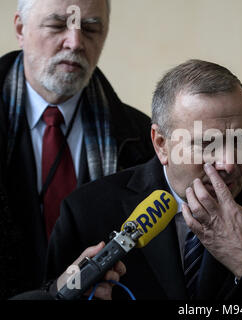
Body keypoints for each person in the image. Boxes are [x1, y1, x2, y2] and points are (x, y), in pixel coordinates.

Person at [46, 59, 242, 300]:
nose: (228, 163)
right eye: (207, 145)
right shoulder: (87, 211)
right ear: (160, 144)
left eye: (240, 140)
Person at [0, 0, 155, 298]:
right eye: (58, 25)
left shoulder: (142, 138)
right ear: (20, 29)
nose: (75, 42)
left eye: (91, 28)